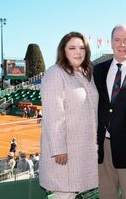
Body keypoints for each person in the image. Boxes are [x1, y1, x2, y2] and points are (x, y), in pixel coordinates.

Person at [39, 32, 98, 199]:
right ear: (63, 51)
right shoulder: (55, 73)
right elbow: (53, 115)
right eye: (72, 47)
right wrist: (59, 149)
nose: (77, 52)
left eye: (82, 48)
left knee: (73, 193)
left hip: (81, 149)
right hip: (64, 152)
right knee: (64, 194)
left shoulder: (86, 73)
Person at [93, 24, 126, 199]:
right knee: (107, 195)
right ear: (111, 43)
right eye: (117, 40)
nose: (122, 44)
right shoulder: (98, 70)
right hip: (104, 148)